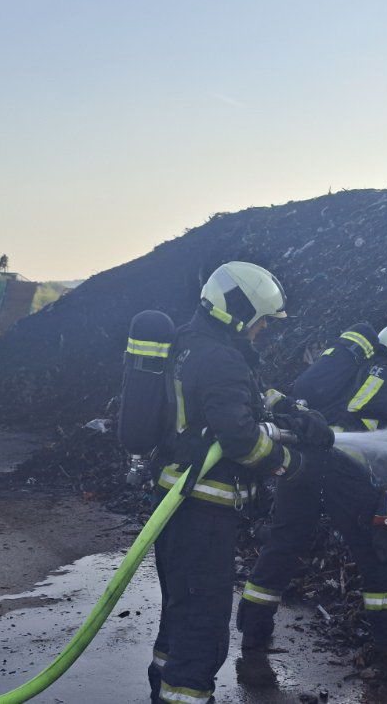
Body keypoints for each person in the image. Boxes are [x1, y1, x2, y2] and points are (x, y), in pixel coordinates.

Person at [147, 261, 332, 704]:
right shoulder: (221, 357)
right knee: (203, 624)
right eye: (261, 320)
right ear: (238, 312)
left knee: (180, 614)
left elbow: (245, 398)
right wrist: (291, 463)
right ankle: (185, 698)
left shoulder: (194, 345)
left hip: (176, 506)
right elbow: (241, 439)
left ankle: (164, 692)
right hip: (203, 512)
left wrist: (294, 414)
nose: (263, 329)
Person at [235, 322, 387, 669]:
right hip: (344, 471)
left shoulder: (350, 373)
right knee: (379, 546)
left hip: (302, 461)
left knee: (284, 542)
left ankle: (254, 629)